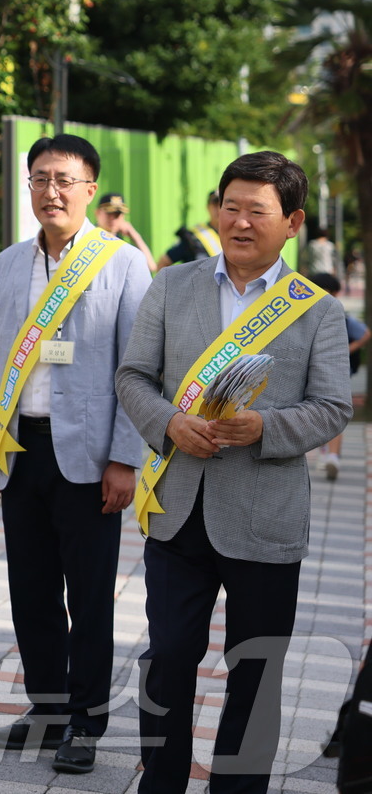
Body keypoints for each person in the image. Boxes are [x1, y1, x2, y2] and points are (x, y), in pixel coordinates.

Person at [115, 150, 352, 794]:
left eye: (258, 211)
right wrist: (169, 423)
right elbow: (133, 376)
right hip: (179, 509)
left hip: (266, 517)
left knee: (256, 668)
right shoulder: (173, 285)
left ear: (293, 222)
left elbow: (333, 408)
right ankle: (159, 782)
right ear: (216, 210)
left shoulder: (318, 310)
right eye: (231, 206)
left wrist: (265, 428)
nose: (239, 222)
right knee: (166, 658)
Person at [0, 134, 150, 773]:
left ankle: (86, 721)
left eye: (65, 179)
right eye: (40, 178)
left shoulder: (122, 264)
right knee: (31, 591)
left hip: (91, 459)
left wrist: (126, 458)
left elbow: (139, 370)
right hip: (20, 451)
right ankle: (45, 713)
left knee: (89, 595)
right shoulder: (7, 263)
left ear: (90, 189)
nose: (52, 191)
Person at [307, 272, 369, 480]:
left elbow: (365, 333)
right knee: (325, 411)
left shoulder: (336, 313)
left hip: (333, 371)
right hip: (320, 371)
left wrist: (345, 349)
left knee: (331, 410)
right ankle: (329, 454)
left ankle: (331, 455)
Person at [95, 191, 158, 272]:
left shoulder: (120, 241)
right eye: (109, 213)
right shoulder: (89, 237)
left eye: (117, 215)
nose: (113, 219)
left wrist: (135, 236)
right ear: (97, 213)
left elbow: (151, 266)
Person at [158, 190, 221, 269]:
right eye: (215, 204)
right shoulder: (192, 237)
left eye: (223, 204)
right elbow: (163, 263)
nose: (219, 209)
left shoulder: (237, 235)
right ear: (207, 207)